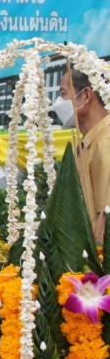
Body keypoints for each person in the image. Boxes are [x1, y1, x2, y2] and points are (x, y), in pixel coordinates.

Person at [54, 69, 110, 241]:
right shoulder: (84, 143)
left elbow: (105, 214)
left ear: (86, 96)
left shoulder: (106, 141)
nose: (57, 103)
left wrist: (99, 264)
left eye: (63, 93)